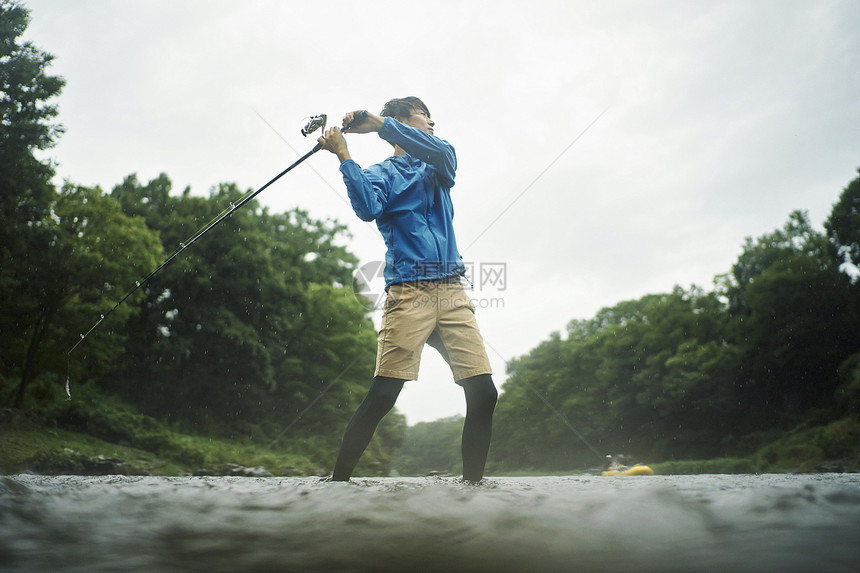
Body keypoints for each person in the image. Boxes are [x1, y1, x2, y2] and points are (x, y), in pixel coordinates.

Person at [317, 96, 498, 483]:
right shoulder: (382, 173)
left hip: (452, 293)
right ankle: (337, 482)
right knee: (384, 394)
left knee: (484, 393)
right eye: (424, 116)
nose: (432, 123)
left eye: (433, 118)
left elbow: (440, 154)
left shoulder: (440, 160)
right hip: (408, 294)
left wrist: (379, 124)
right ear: (403, 119)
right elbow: (367, 207)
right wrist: (344, 155)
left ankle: (474, 489)